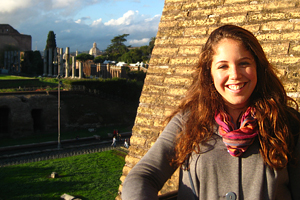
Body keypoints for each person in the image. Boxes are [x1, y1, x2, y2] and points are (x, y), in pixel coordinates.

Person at [122, 25, 300, 200]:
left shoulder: (287, 123)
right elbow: (144, 176)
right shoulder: (188, 122)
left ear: (258, 67)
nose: (235, 74)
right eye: (223, 66)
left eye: (244, 63)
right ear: (209, 73)